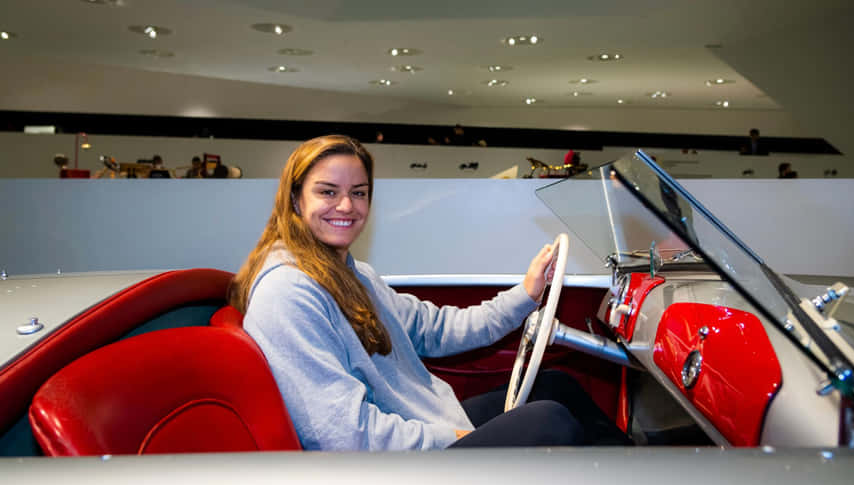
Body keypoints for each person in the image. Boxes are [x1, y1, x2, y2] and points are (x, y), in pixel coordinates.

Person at [228, 135, 629, 451]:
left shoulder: (354, 275)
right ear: (295, 200)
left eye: (359, 192)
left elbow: (436, 329)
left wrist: (526, 294)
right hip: (385, 468)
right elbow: (344, 433)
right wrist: (451, 438)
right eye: (328, 192)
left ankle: (638, 478)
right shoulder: (287, 293)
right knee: (548, 422)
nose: (346, 206)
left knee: (556, 386)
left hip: (419, 428)